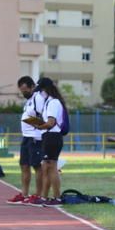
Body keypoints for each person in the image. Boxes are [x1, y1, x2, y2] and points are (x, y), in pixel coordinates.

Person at [25, 77, 67, 207]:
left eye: (41, 91)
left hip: (52, 136)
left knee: (51, 167)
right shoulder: (49, 102)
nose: (39, 94)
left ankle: (57, 197)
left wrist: (38, 126)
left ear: (46, 89)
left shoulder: (53, 102)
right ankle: (46, 196)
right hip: (49, 136)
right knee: (47, 167)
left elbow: (51, 122)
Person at [8, 76, 45, 204]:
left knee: (37, 166)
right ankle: (24, 195)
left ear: (32, 87)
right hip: (26, 137)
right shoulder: (29, 100)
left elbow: (46, 119)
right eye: (21, 90)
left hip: (36, 137)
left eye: (25, 90)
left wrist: (31, 121)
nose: (23, 93)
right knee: (24, 165)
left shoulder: (38, 98)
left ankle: (38, 195)